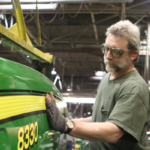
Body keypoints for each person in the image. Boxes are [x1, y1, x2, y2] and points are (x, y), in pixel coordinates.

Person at [45, 20, 150, 150]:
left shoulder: (134, 88)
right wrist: (64, 121)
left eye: (116, 51)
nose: (108, 56)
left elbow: (114, 132)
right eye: (106, 49)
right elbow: (97, 120)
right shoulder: (107, 78)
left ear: (133, 54)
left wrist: (66, 126)